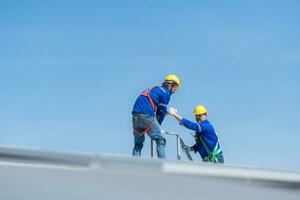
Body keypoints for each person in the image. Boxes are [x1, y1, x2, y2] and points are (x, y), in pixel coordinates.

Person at [132, 74, 181, 158]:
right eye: (176, 87)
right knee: (160, 140)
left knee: (138, 144)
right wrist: (158, 125)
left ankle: (134, 165)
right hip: (147, 116)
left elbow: (155, 108)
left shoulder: (155, 89)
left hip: (135, 116)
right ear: (172, 85)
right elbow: (160, 112)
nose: (175, 91)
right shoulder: (166, 93)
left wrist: (167, 113)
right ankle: (162, 165)